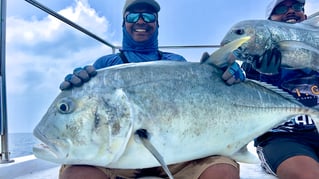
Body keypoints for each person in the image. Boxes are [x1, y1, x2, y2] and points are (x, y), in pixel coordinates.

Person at [59, 0, 240, 179]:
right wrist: (77, 91)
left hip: (176, 151)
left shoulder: (176, 62)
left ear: (156, 23)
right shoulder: (105, 65)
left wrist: (224, 78)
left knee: (222, 172)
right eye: (133, 16)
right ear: (124, 23)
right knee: (77, 175)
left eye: (148, 16)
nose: (140, 21)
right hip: (118, 153)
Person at [222, 0, 319, 178]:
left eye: (297, 7)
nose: (291, 11)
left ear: (305, 15)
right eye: (282, 9)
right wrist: (268, 76)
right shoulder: (251, 65)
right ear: (269, 21)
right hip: (282, 138)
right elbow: (249, 109)